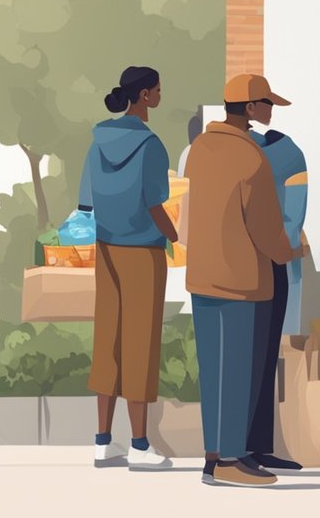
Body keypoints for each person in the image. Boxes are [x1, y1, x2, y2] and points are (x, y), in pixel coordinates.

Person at [185, 74, 301, 487]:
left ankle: (213, 455)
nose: (271, 110)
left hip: (203, 276)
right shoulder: (251, 156)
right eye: (267, 103)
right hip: (242, 278)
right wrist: (289, 252)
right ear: (251, 108)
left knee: (214, 371)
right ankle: (231, 462)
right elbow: (266, 227)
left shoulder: (199, 149)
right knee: (237, 372)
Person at [81, 66, 176, 470]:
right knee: (141, 342)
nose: (159, 95)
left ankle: (103, 441)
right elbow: (156, 205)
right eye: (156, 90)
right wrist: (177, 237)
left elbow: (85, 200)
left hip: (106, 247)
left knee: (109, 338)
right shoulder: (151, 146)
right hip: (142, 252)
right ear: (143, 97)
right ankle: (139, 445)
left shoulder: (98, 140)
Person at [245, 122, 310, 472]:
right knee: (265, 356)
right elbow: (293, 216)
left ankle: (250, 448)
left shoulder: (220, 151)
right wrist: (282, 250)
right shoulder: (288, 153)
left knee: (249, 358)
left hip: (237, 264)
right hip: (272, 262)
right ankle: (254, 448)